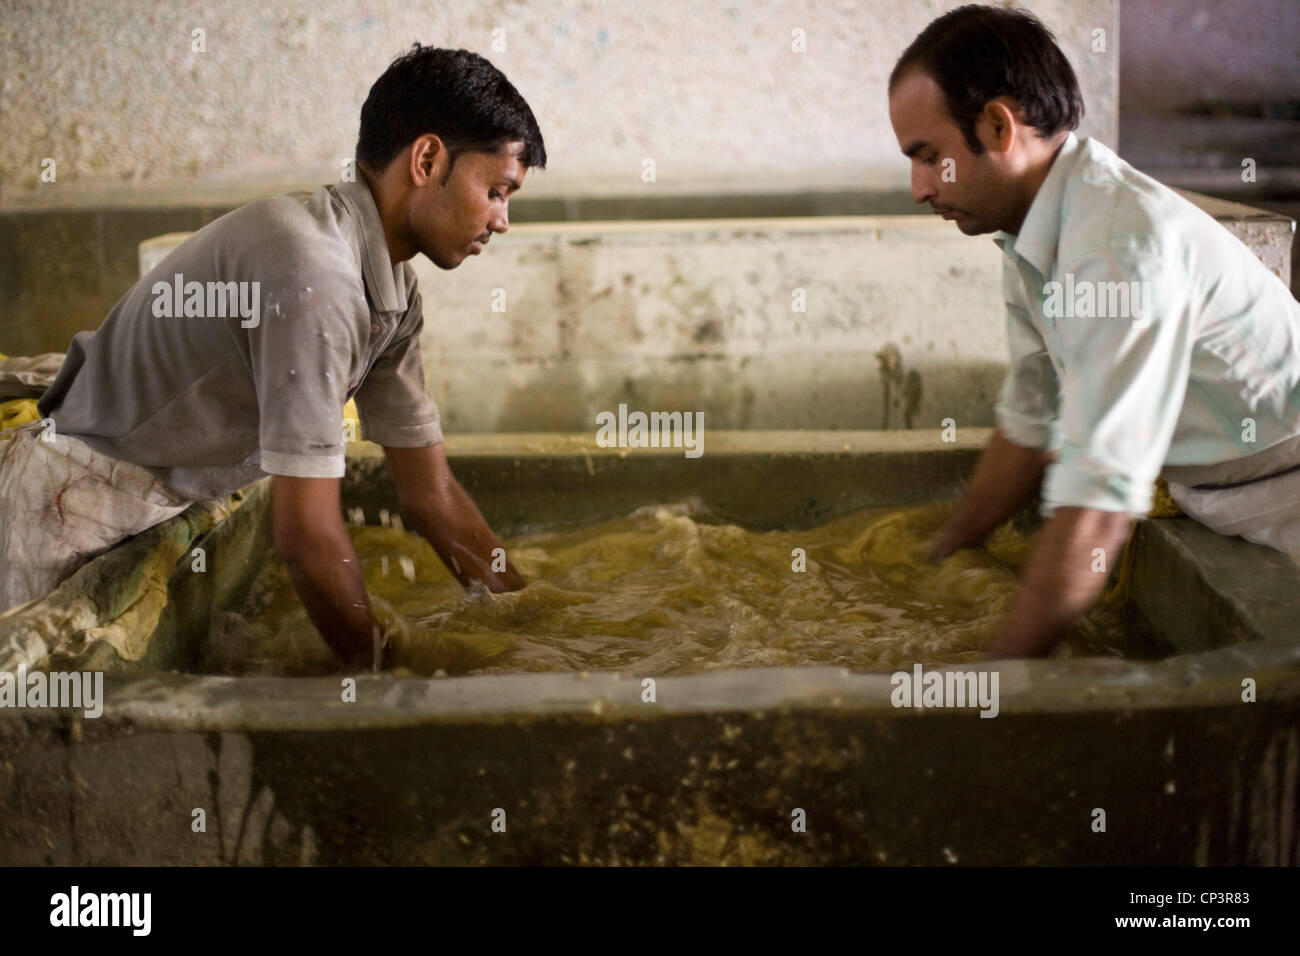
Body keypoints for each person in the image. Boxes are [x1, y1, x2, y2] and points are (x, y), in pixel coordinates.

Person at [0, 46, 542, 668]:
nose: (502, 221)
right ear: (426, 159)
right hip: (70, 499)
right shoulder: (314, 272)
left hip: (152, 493)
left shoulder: (391, 290)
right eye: (497, 191)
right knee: (32, 715)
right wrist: (387, 684)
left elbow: (428, 492)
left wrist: (531, 626)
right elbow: (307, 538)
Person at [887, 5, 1300, 658]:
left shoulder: (1114, 248)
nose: (917, 188)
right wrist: (943, 549)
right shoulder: (1031, 236)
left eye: (928, 157)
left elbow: (1098, 507)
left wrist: (994, 688)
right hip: (1220, 491)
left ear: (998, 125)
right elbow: (1031, 423)